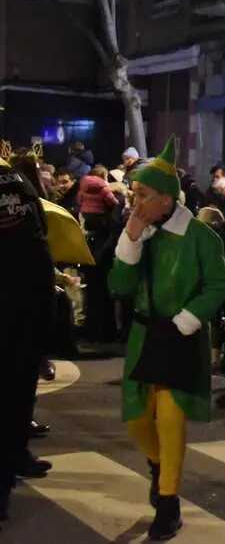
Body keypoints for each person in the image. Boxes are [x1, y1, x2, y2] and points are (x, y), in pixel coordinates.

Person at [108, 137, 225, 540]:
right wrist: (129, 242)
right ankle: (159, 466)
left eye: (142, 194)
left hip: (181, 336)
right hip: (144, 336)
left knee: (170, 416)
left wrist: (189, 318)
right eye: (133, 193)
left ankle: (168, 501)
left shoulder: (201, 237)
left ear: (165, 199)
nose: (134, 201)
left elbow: (219, 285)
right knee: (137, 417)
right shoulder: (138, 232)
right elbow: (118, 288)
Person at [0, 148, 56, 522]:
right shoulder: (18, 182)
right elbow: (41, 233)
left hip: (22, 301)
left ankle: (13, 460)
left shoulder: (14, 181)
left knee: (17, 390)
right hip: (26, 299)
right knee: (17, 390)